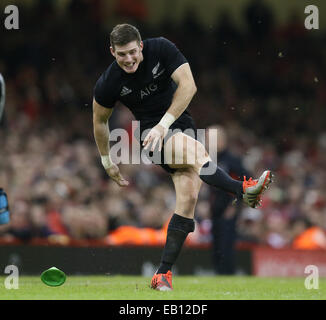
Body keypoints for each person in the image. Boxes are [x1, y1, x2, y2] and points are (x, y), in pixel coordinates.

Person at [92, 24, 273, 291]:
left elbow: (189, 86)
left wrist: (165, 123)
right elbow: (99, 121)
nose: (128, 59)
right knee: (196, 152)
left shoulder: (161, 48)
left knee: (187, 200)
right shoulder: (109, 81)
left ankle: (162, 274)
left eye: (132, 52)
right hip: (151, 137)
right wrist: (107, 161)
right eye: (121, 55)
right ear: (112, 52)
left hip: (179, 124)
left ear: (141, 46)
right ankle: (241, 190)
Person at [206, 125, 251, 274]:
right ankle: (218, 275)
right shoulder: (207, 159)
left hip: (227, 211)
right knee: (216, 246)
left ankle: (228, 274)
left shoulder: (232, 160)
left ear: (222, 140)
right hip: (214, 211)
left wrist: (236, 206)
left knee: (226, 247)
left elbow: (248, 182)